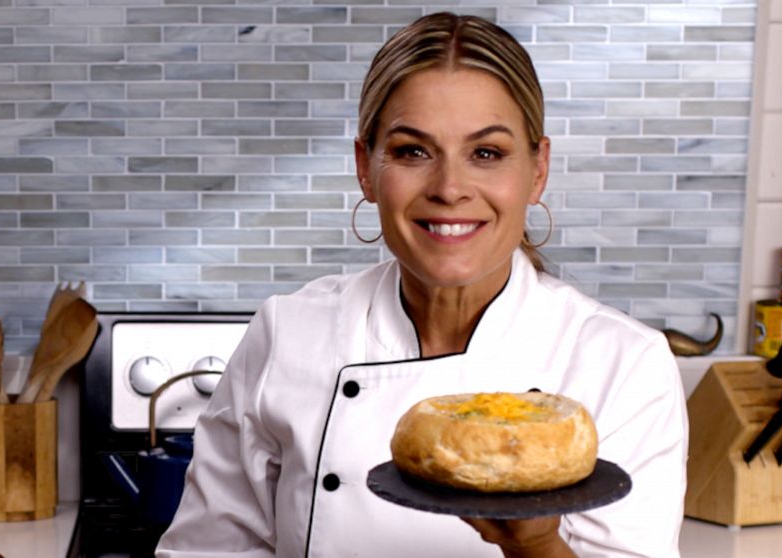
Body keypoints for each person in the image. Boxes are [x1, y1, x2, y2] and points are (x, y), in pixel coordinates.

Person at [156, 12, 687, 558]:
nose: (450, 188)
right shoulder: (289, 332)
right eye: (413, 151)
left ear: (537, 170)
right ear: (367, 168)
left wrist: (538, 545)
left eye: (486, 153)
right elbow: (206, 551)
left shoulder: (623, 365)